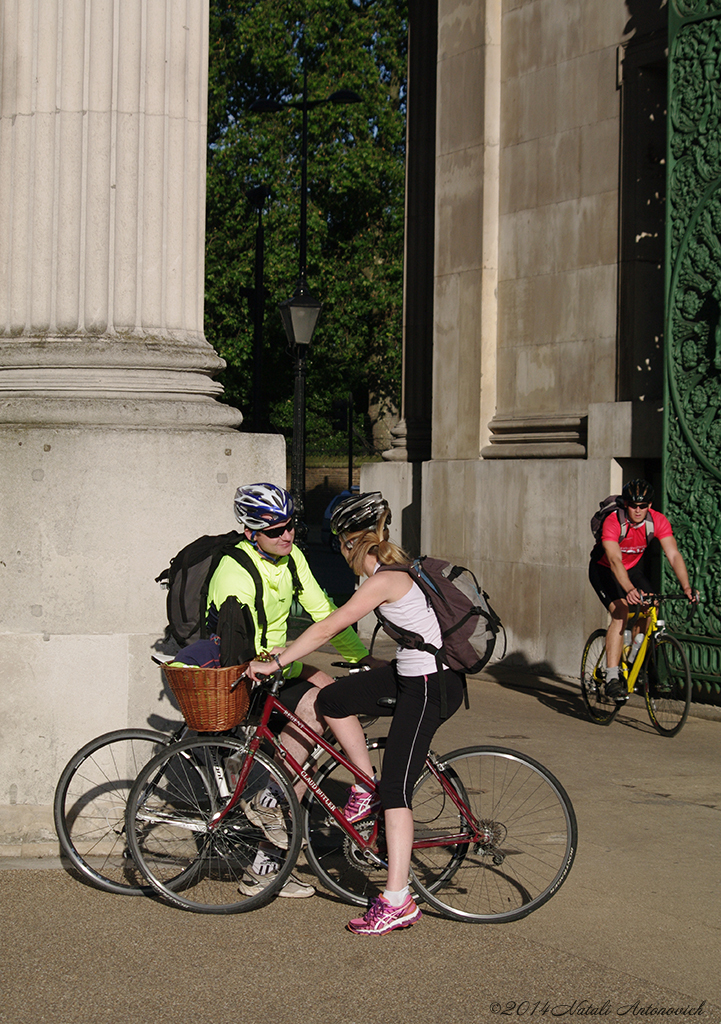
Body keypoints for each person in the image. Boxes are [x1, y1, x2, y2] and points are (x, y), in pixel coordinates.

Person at [247, 491, 465, 935]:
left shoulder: (384, 579)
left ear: (348, 543)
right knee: (334, 700)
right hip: (409, 672)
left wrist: (277, 661)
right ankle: (365, 788)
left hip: (430, 685)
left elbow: (329, 625)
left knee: (398, 790)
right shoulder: (392, 571)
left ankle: (397, 900)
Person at [207, 482, 372, 898]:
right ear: (251, 533)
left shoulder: (292, 557)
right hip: (243, 674)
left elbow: (325, 615)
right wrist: (273, 659)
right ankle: (270, 798)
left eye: (291, 525)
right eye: (275, 529)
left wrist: (359, 658)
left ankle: (268, 850)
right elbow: (233, 647)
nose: (287, 535)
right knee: (320, 706)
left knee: (335, 699)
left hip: (277, 666)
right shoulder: (234, 572)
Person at [588, 478, 696, 701]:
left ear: (650, 506)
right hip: (604, 569)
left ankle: (628, 655)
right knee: (619, 612)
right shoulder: (614, 521)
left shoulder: (657, 521)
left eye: (643, 506)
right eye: (634, 505)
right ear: (626, 504)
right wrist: (628, 589)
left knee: (651, 605)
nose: (638, 510)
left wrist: (686, 587)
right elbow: (615, 559)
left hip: (632, 568)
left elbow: (673, 555)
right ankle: (611, 677)